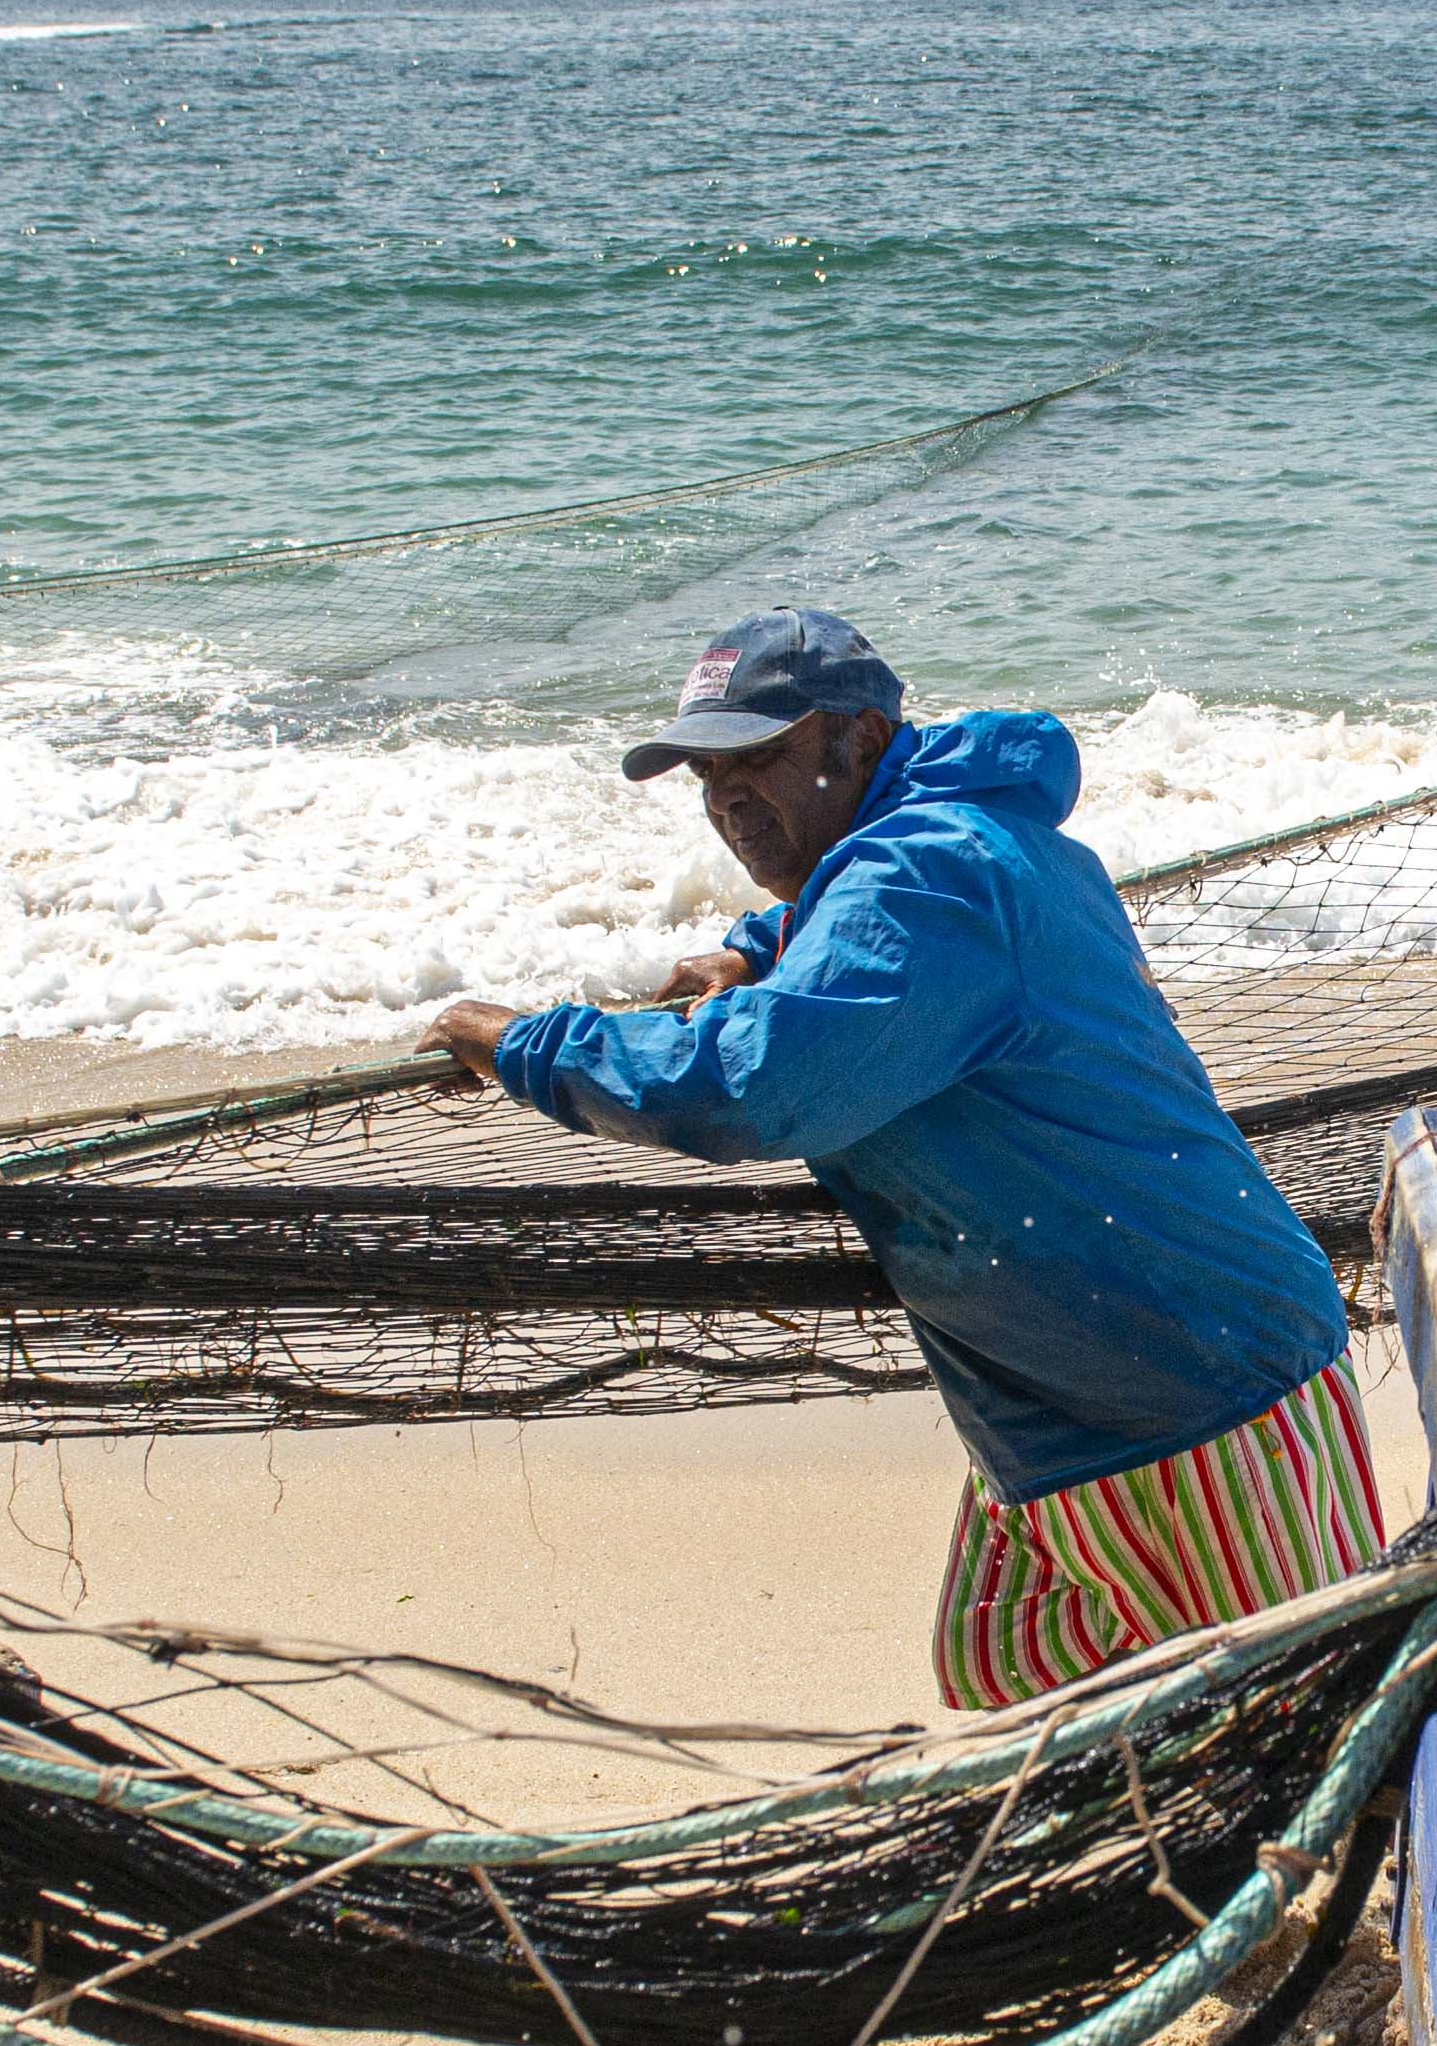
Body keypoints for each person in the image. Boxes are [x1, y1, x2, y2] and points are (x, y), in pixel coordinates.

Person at [428, 609, 1378, 1707]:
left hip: (1189, 1391)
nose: (729, 798)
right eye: (708, 773)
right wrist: (757, 945)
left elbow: (751, 1088)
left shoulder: (929, 873)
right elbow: (852, 942)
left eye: (761, 760)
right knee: (1008, 1679)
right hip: (1068, 1395)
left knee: (1295, 1723)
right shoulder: (953, 838)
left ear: (862, 741)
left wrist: (518, 1044)